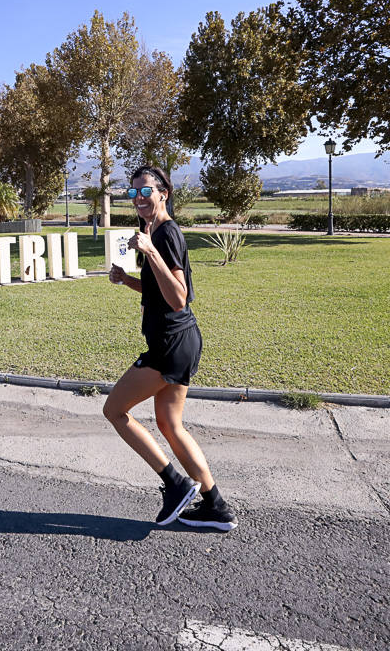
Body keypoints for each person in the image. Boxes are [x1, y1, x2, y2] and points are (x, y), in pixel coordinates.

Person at [103, 165, 237, 531]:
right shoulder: (153, 230)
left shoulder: (166, 233)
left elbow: (178, 298)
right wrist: (127, 279)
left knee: (114, 410)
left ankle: (175, 484)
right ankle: (217, 507)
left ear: (163, 193)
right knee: (170, 424)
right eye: (133, 193)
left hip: (171, 343)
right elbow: (158, 291)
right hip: (181, 341)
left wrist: (150, 251)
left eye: (145, 191)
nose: (139, 199)